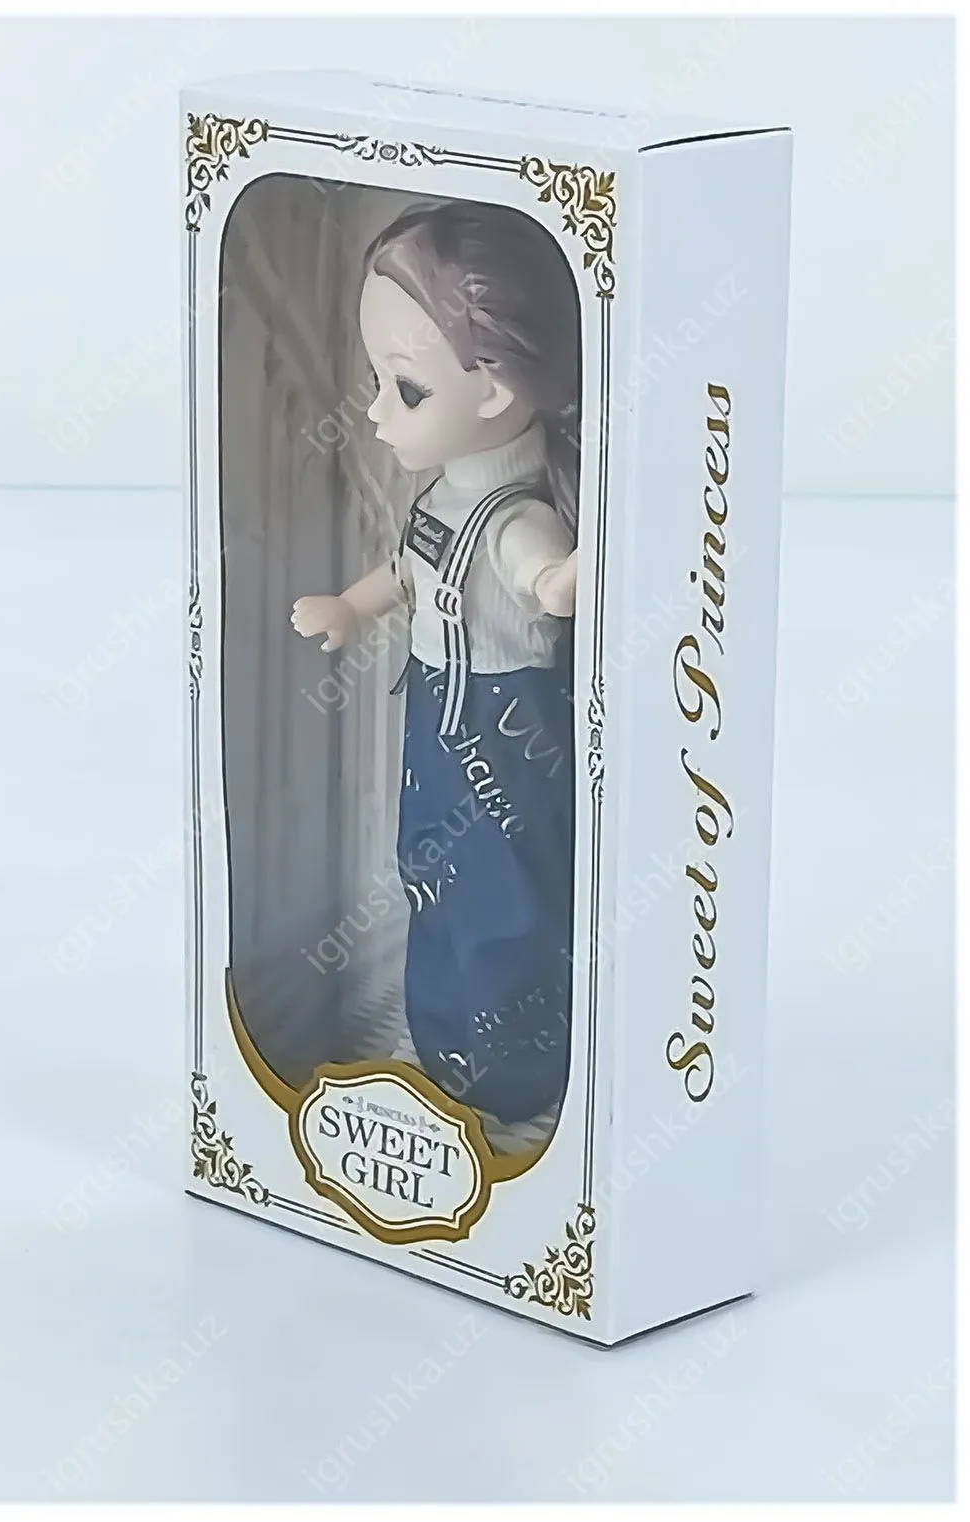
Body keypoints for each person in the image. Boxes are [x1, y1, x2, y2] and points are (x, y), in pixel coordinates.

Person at [292, 199, 580, 1125]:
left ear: (492, 392)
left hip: (506, 729)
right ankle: (439, 1039)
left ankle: (511, 1066)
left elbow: (548, 582)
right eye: (380, 383)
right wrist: (350, 607)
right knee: (427, 871)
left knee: (505, 890)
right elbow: (406, 571)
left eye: (405, 389)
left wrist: (576, 573)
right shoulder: (443, 502)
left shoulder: (516, 517)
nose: (375, 412)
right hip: (436, 719)